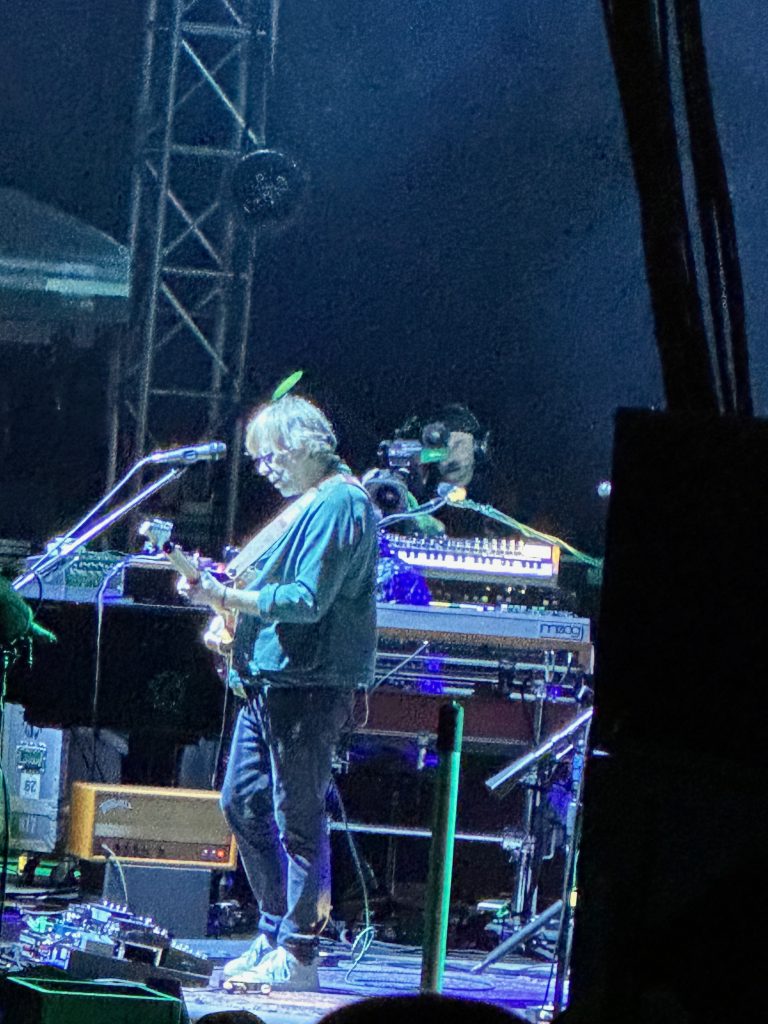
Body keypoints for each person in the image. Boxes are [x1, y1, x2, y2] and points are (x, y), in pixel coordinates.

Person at [178, 395, 378, 992]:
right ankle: (273, 932)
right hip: (268, 682)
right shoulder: (310, 504)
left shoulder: (341, 503)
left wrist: (224, 597)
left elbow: (306, 601)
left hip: (309, 685)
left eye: (271, 456)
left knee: (298, 816)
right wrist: (220, 588)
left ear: (306, 445)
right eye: (259, 460)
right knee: (241, 802)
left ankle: (299, 951)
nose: (264, 470)